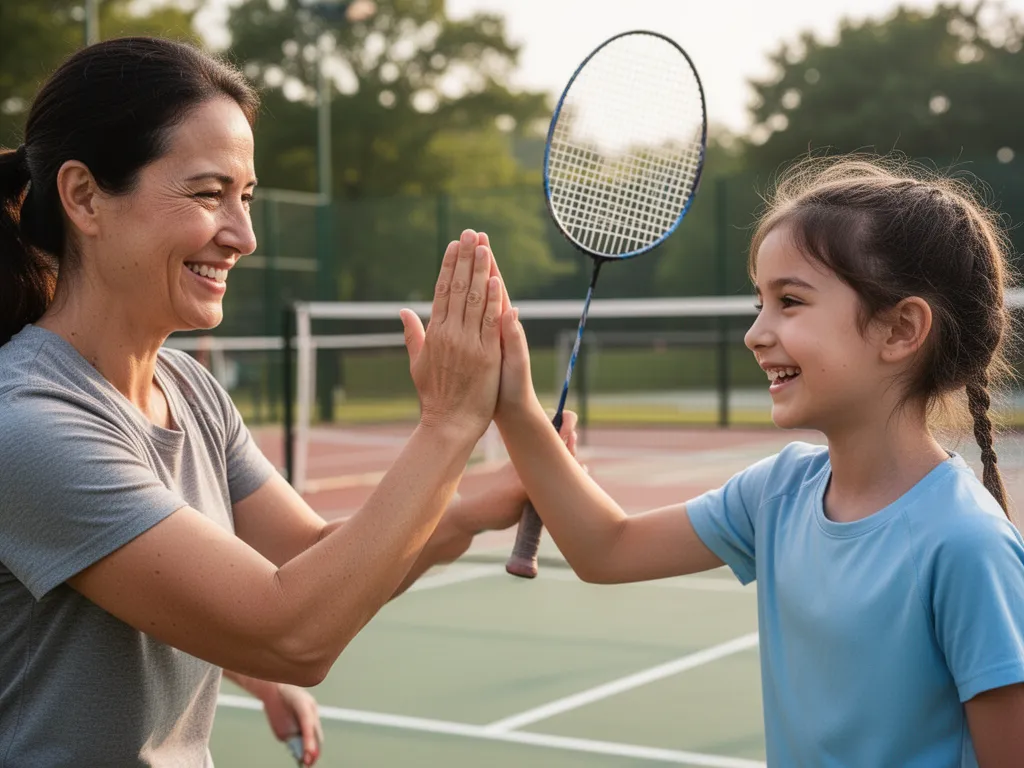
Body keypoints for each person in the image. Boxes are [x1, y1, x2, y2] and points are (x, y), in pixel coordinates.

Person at [0, 37, 576, 767]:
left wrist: (475, 505)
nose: (243, 235)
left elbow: (317, 559)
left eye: (245, 197)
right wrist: (449, 426)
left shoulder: (192, 391)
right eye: (209, 194)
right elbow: (291, 632)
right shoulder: (27, 424)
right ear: (84, 196)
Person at [492, 156, 1024, 766]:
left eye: (790, 301)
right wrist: (514, 406)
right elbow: (605, 548)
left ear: (900, 330)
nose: (756, 333)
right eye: (758, 305)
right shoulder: (778, 492)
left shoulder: (965, 543)